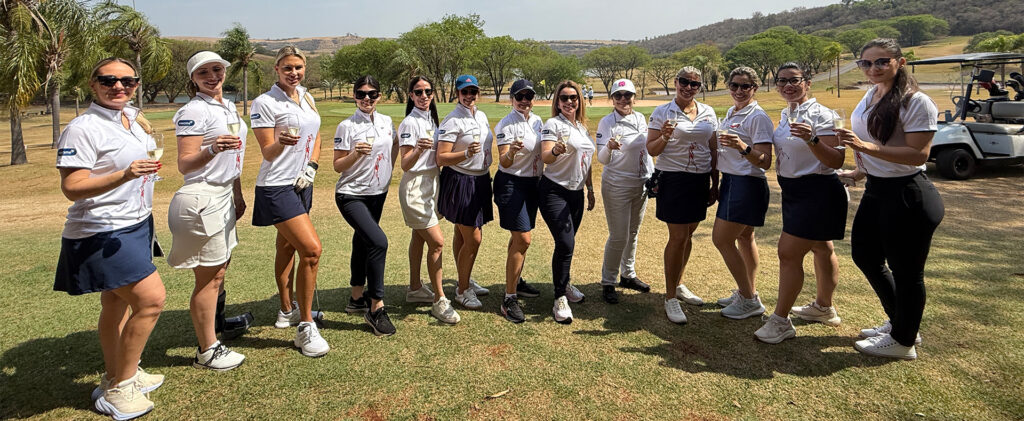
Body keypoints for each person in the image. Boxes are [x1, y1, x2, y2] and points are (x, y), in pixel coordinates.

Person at [55, 57, 166, 419]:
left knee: (115, 304)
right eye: (109, 80)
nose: (118, 87)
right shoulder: (82, 128)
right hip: (103, 228)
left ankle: (117, 373)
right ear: (93, 83)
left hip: (135, 223)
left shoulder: (133, 118)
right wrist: (125, 174)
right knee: (151, 300)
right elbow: (72, 187)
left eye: (128, 81)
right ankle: (119, 388)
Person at [838, 39, 943, 360]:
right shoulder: (871, 95)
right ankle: (902, 322)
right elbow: (869, 144)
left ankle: (903, 341)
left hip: (907, 195)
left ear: (901, 61)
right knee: (865, 256)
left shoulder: (916, 102)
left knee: (907, 272)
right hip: (878, 190)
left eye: (881, 62)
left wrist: (865, 148)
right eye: (865, 63)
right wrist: (859, 172)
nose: (873, 69)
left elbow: (917, 154)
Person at [753, 62, 848, 344]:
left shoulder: (822, 115)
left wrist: (813, 139)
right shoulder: (786, 113)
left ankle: (781, 321)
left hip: (817, 190)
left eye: (794, 80)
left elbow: (836, 160)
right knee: (821, 246)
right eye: (781, 81)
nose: (787, 86)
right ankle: (824, 307)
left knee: (788, 253)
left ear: (808, 83)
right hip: (793, 189)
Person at [168, 51, 250, 370]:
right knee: (209, 276)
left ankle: (218, 325)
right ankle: (208, 349)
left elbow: (235, 159)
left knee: (220, 268)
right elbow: (184, 163)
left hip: (224, 193)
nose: (212, 76)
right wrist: (213, 148)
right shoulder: (193, 110)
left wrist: (238, 194)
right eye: (204, 72)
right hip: (203, 196)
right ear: (193, 78)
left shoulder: (227, 106)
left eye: (217, 69)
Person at [249, 46, 327, 357]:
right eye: (287, 68)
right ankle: (306, 327)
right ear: (276, 70)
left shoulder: (306, 96)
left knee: (287, 246)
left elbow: (317, 135)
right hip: (276, 185)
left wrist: (312, 166)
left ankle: (286, 309)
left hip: (301, 183)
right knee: (311, 249)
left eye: (298, 67)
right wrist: (281, 142)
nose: (293, 73)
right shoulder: (264, 102)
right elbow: (267, 152)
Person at [646, 66, 719, 324]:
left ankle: (677, 284)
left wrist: (714, 182)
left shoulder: (708, 112)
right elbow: (652, 150)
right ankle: (669, 297)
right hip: (673, 179)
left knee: (688, 234)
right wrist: (665, 136)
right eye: (684, 82)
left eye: (694, 84)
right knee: (677, 237)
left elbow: (713, 149)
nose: (689, 87)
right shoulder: (662, 112)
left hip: (699, 180)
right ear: (675, 82)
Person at [333, 75, 399, 336]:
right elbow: (338, 165)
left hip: (377, 193)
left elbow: (393, 145)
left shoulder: (385, 121)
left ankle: (356, 298)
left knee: (362, 241)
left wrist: (388, 170)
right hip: (351, 194)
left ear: (379, 96)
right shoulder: (346, 126)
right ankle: (376, 308)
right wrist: (355, 154)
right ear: (354, 96)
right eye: (361, 94)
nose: (366, 99)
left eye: (372, 94)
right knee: (378, 242)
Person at [711, 67, 774, 321]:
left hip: (746, 183)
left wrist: (742, 146)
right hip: (732, 180)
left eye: (745, 86)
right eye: (735, 85)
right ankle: (748, 291)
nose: (739, 90)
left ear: (754, 89)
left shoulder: (757, 117)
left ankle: (748, 301)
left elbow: (766, 160)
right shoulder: (731, 112)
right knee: (745, 239)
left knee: (721, 239)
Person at [397, 75, 461, 324]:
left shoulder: (432, 120)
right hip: (415, 186)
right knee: (436, 241)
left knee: (419, 236)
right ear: (411, 95)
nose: (424, 96)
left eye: (427, 91)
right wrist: (420, 149)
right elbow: (404, 164)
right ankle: (439, 299)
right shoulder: (409, 123)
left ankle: (415, 288)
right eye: (418, 92)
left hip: (432, 183)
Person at [539, 80, 596, 324]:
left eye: (573, 97)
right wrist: (555, 151)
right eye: (564, 98)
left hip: (577, 192)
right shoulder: (552, 124)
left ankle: (566, 282)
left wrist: (590, 188)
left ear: (580, 100)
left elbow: (587, 160)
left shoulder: (582, 127)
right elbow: (545, 156)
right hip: (554, 191)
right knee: (565, 242)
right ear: (557, 102)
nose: (569, 102)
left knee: (567, 244)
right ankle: (559, 297)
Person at [436, 74, 493, 310]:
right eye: (464, 92)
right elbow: (441, 157)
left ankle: (464, 279)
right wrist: (466, 154)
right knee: (473, 238)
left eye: (473, 91)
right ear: (457, 94)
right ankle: (461, 291)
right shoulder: (452, 120)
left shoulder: (480, 115)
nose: (469, 96)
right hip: (461, 180)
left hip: (480, 179)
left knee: (462, 234)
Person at [595, 79, 653, 304]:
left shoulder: (640, 118)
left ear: (634, 97)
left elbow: (646, 151)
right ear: (612, 99)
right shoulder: (607, 123)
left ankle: (627, 274)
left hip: (641, 183)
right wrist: (608, 148)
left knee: (632, 233)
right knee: (618, 236)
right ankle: (608, 281)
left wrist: (652, 174)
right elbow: (602, 159)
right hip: (617, 184)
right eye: (618, 95)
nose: (623, 99)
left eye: (627, 95)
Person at [492, 79, 544, 323]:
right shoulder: (505, 124)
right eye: (519, 96)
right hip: (511, 183)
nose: (524, 101)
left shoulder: (537, 121)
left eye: (528, 96)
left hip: (532, 184)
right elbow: (503, 162)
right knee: (523, 238)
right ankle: (509, 298)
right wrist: (511, 152)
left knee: (518, 239)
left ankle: (516, 280)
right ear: (511, 99)